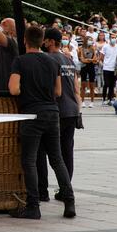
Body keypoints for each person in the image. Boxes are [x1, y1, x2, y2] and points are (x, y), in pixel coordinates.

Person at [8, 25, 75, 219]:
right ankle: (69, 201)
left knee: (29, 160)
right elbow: (58, 92)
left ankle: (33, 206)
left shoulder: (20, 61)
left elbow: (14, 89)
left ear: (25, 41)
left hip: (32, 114)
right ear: (41, 41)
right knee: (57, 158)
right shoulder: (53, 62)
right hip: (53, 113)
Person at [36, 27, 80, 203]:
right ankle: (65, 189)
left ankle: (42, 191)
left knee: (43, 151)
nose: (43, 43)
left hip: (57, 110)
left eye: (45, 40)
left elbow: (54, 89)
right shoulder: (68, 59)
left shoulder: (48, 59)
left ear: (51, 42)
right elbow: (76, 87)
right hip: (72, 110)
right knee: (67, 152)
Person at [78, 36, 98, 108]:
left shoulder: (93, 48)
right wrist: (90, 60)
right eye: (89, 40)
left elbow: (95, 59)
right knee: (83, 85)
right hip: (84, 67)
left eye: (91, 40)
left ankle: (92, 102)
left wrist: (90, 60)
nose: (90, 41)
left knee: (92, 85)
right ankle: (82, 101)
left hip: (91, 67)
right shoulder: (81, 48)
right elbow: (82, 59)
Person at [100, 36, 117, 105]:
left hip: (114, 68)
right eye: (112, 38)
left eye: (115, 38)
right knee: (106, 83)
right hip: (106, 67)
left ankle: (110, 98)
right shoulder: (105, 46)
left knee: (111, 85)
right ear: (110, 39)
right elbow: (101, 56)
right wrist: (104, 63)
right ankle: (104, 98)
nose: (113, 39)